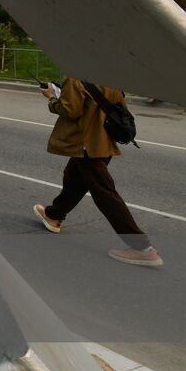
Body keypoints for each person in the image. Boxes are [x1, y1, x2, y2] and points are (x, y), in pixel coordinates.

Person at [32, 78, 161, 267]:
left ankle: (143, 248)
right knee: (74, 179)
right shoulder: (107, 72)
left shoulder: (74, 77)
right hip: (104, 140)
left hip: (86, 144)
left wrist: (52, 98)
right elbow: (116, 102)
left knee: (104, 193)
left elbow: (70, 111)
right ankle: (54, 215)